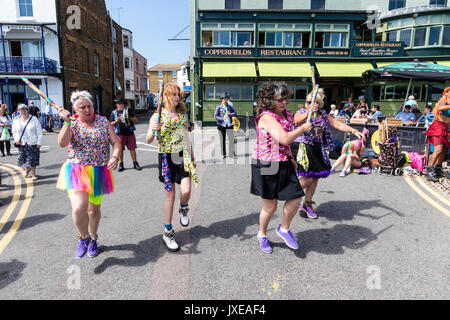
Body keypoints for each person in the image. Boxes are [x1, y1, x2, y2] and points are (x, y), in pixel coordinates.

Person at [56, 90, 121, 259]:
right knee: (79, 207)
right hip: (77, 170)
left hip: (99, 171)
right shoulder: (73, 123)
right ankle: (83, 238)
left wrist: (114, 156)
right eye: (82, 107)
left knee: (93, 211)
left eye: (89, 106)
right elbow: (62, 143)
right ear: (74, 109)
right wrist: (67, 123)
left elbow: (116, 143)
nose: (87, 110)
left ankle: (93, 238)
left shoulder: (103, 121)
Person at [251, 82, 312, 254]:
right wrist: (302, 129)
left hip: (284, 161)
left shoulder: (287, 114)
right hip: (266, 164)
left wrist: (291, 157)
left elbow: (285, 144)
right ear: (269, 100)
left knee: (295, 197)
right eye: (280, 99)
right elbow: (284, 138)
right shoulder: (266, 117)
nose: (284, 102)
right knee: (270, 207)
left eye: (285, 98)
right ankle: (262, 234)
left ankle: (284, 229)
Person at [295, 89, 364, 219]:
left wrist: (353, 130)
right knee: (307, 178)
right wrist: (309, 113)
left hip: (318, 148)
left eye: (314, 102)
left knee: (315, 178)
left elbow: (337, 124)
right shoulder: (302, 113)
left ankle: (307, 204)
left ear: (319, 104)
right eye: (309, 102)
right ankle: (291, 194)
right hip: (305, 147)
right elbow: (296, 120)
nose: (311, 104)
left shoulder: (323, 115)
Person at [146, 83, 198, 252]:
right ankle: (168, 232)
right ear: (166, 97)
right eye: (174, 94)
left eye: (178, 94)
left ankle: (183, 208)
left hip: (182, 155)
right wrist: (154, 129)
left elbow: (187, 136)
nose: (177, 97)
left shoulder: (183, 114)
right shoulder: (157, 116)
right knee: (170, 195)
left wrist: (193, 156)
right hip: (167, 157)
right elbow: (148, 139)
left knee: (187, 191)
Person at [424, 87, 450, 182]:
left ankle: (438, 169)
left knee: (444, 150)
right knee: (438, 150)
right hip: (438, 127)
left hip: (446, 128)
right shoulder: (444, 101)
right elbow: (440, 108)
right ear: (446, 93)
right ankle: (429, 170)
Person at [11, 104, 42, 181]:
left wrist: (39, 142)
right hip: (22, 143)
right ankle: (27, 169)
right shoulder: (16, 120)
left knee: (32, 159)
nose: (23, 111)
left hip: (32, 142)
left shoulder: (33, 118)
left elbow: (39, 131)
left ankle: (33, 174)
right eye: (21, 110)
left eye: (25, 110)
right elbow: (14, 131)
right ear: (19, 111)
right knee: (24, 159)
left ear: (28, 110)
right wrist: (17, 139)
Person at [110, 98, 142, 172]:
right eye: (119, 103)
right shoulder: (114, 112)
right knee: (120, 149)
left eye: (122, 103)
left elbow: (136, 120)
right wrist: (117, 121)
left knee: (132, 148)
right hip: (119, 133)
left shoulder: (128, 111)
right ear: (116, 104)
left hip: (130, 133)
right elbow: (111, 123)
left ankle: (135, 163)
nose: (121, 105)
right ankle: (121, 164)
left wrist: (132, 119)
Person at [214, 92, 237, 159]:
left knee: (231, 139)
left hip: (229, 125)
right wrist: (222, 118)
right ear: (221, 99)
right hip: (221, 125)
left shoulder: (230, 106)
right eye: (224, 99)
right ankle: (223, 154)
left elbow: (235, 113)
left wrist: (231, 114)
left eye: (226, 99)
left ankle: (231, 153)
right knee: (222, 140)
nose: (225, 100)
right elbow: (215, 116)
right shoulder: (218, 107)